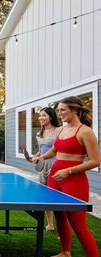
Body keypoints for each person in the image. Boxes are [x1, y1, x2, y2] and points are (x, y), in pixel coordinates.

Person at [39, 97, 99, 257]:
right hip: (54, 178)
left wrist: (69, 171)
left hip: (74, 181)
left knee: (78, 225)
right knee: (60, 217)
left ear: (74, 110)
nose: (60, 113)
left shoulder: (85, 131)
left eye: (63, 110)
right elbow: (54, 150)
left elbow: (96, 161)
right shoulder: (61, 130)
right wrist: (40, 158)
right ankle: (65, 252)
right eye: (59, 110)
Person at [29, 107, 59, 231]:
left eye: (43, 115)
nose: (40, 118)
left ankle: (62, 228)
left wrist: (57, 166)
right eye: (39, 116)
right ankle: (50, 224)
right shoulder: (39, 133)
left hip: (55, 165)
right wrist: (34, 157)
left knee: (57, 197)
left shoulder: (59, 131)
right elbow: (41, 150)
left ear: (51, 117)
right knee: (45, 196)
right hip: (42, 165)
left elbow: (59, 149)